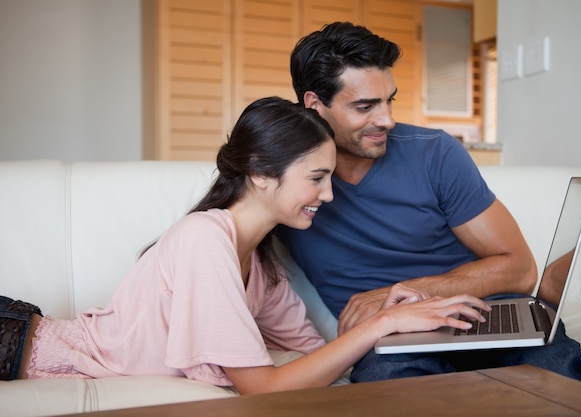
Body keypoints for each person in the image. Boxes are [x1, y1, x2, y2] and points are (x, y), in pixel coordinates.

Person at [0, 96, 491, 393]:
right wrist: (387, 322)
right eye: (317, 178)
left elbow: (316, 359)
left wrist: (391, 305)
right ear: (260, 174)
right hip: (24, 347)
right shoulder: (204, 239)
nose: (329, 194)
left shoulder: (262, 264)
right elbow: (262, 388)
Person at [277, 22, 581, 383]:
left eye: (389, 100)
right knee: (390, 386)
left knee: (554, 373)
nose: (387, 120)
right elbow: (221, 238)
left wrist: (400, 296)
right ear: (315, 104)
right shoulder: (282, 178)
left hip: (480, 311)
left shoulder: (434, 153)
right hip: (394, 340)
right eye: (365, 106)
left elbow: (520, 269)